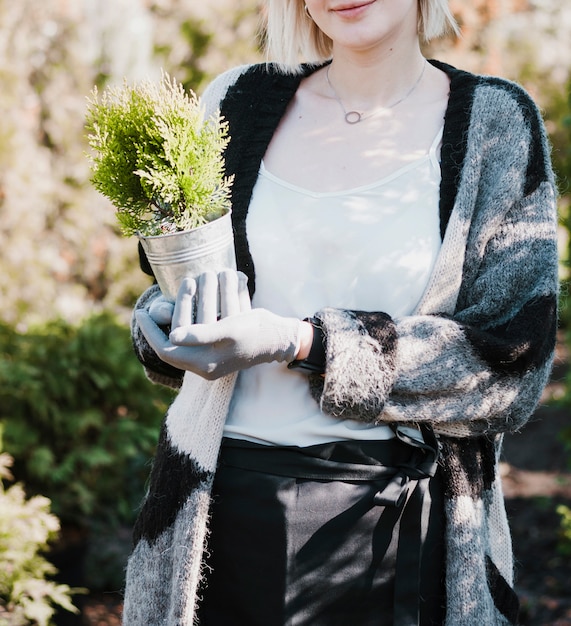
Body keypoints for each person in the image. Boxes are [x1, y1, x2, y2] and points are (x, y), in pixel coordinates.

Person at [122, 1, 559, 624]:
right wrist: (162, 324)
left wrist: (303, 342)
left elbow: (511, 365)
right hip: (215, 504)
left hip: (394, 519)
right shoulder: (236, 101)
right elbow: (179, 274)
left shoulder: (494, 122)